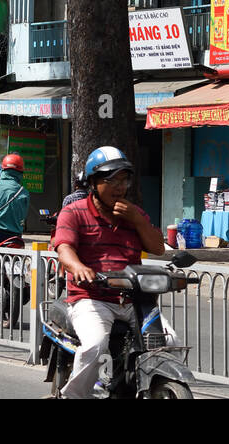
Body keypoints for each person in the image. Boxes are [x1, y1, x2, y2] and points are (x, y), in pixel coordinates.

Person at [52, 145, 164, 399]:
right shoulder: (74, 212)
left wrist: (137, 219)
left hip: (135, 299)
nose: (119, 186)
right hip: (91, 298)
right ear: (93, 182)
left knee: (167, 340)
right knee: (95, 345)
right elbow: (64, 249)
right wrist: (79, 267)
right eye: (111, 180)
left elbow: (158, 247)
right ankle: (73, 396)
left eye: (124, 179)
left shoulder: (134, 214)